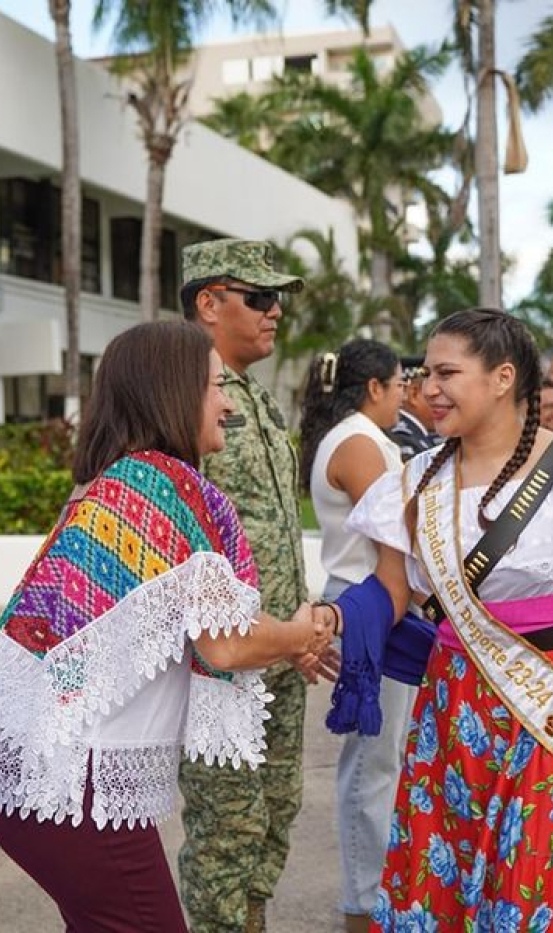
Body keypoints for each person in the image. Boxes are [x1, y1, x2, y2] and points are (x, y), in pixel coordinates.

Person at [0, 322, 332, 932]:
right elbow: (226, 641)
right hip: (75, 789)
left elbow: (184, 627)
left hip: (39, 784)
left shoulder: (117, 483)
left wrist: (284, 642)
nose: (229, 402)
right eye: (215, 386)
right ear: (173, 392)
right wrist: (297, 636)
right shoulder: (166, 488)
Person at [330, 309, 553, 931]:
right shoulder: (413, 483)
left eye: (447, 373)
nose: (428, 388)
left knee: (548, 876)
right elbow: (390, 591)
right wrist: (332, 621)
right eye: (424, 373)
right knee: (455, 874)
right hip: (458, 707)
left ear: (502, 377)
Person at [176, 238, 315, 933]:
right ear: (209, 302)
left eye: (277, 298)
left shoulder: (255, 397)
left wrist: (299, 630)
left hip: (280, 652)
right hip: (222, 661)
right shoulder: (180, 398)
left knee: (275, 811)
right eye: (259, 297)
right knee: (226, 829)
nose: (276, 311)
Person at [297, 339, 412, 932]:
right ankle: (363, 906)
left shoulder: (359, 438)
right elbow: (399, 531)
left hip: (372, 599)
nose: (404, 395)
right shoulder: (359, 444)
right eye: (398, 385)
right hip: (370, 603)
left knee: (384, 756)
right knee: (372, 761)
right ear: (373, 388)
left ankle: (377, 895)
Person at [388, 355, 441, 461]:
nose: (443, 401)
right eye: (437, 392)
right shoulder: (403, 437)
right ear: (414, 394)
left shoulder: (417, 434)